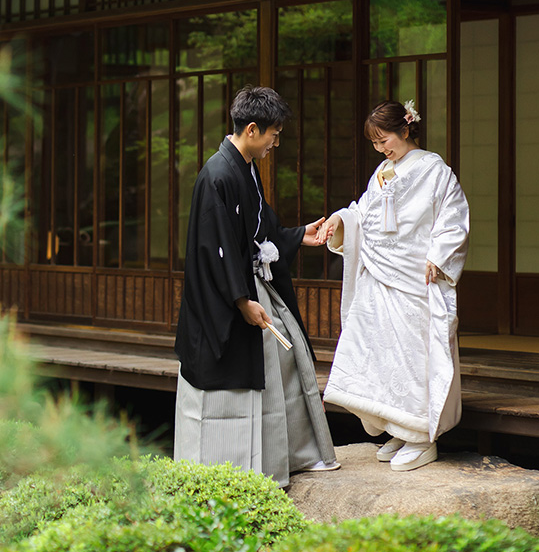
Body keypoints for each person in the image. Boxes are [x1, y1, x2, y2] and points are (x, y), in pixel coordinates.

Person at [174, 85, 339, 488]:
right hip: (222, 301)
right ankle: (223, 475)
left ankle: (278, 461)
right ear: (252, 129)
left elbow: (260, 229)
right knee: (231, 388)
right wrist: (241, 300)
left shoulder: (244, 169)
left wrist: (299, 235)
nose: (274, 143)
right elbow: (216, 248)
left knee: (284, 361)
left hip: (246, 286)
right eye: (273, 135)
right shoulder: (217, 174)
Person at [317, 100, 470, 472]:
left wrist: (439, 254)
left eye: (385, 139)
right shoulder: (383, 171)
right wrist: (341, 221)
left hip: (415, 275)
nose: (382, 148)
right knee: (381, 354)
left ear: (406, 129)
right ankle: (397, 427)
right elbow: (364, 213)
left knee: (413, 354)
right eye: (375, 143)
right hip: (380, 275)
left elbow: (453, 217)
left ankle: (421, 435)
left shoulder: (434, 170)